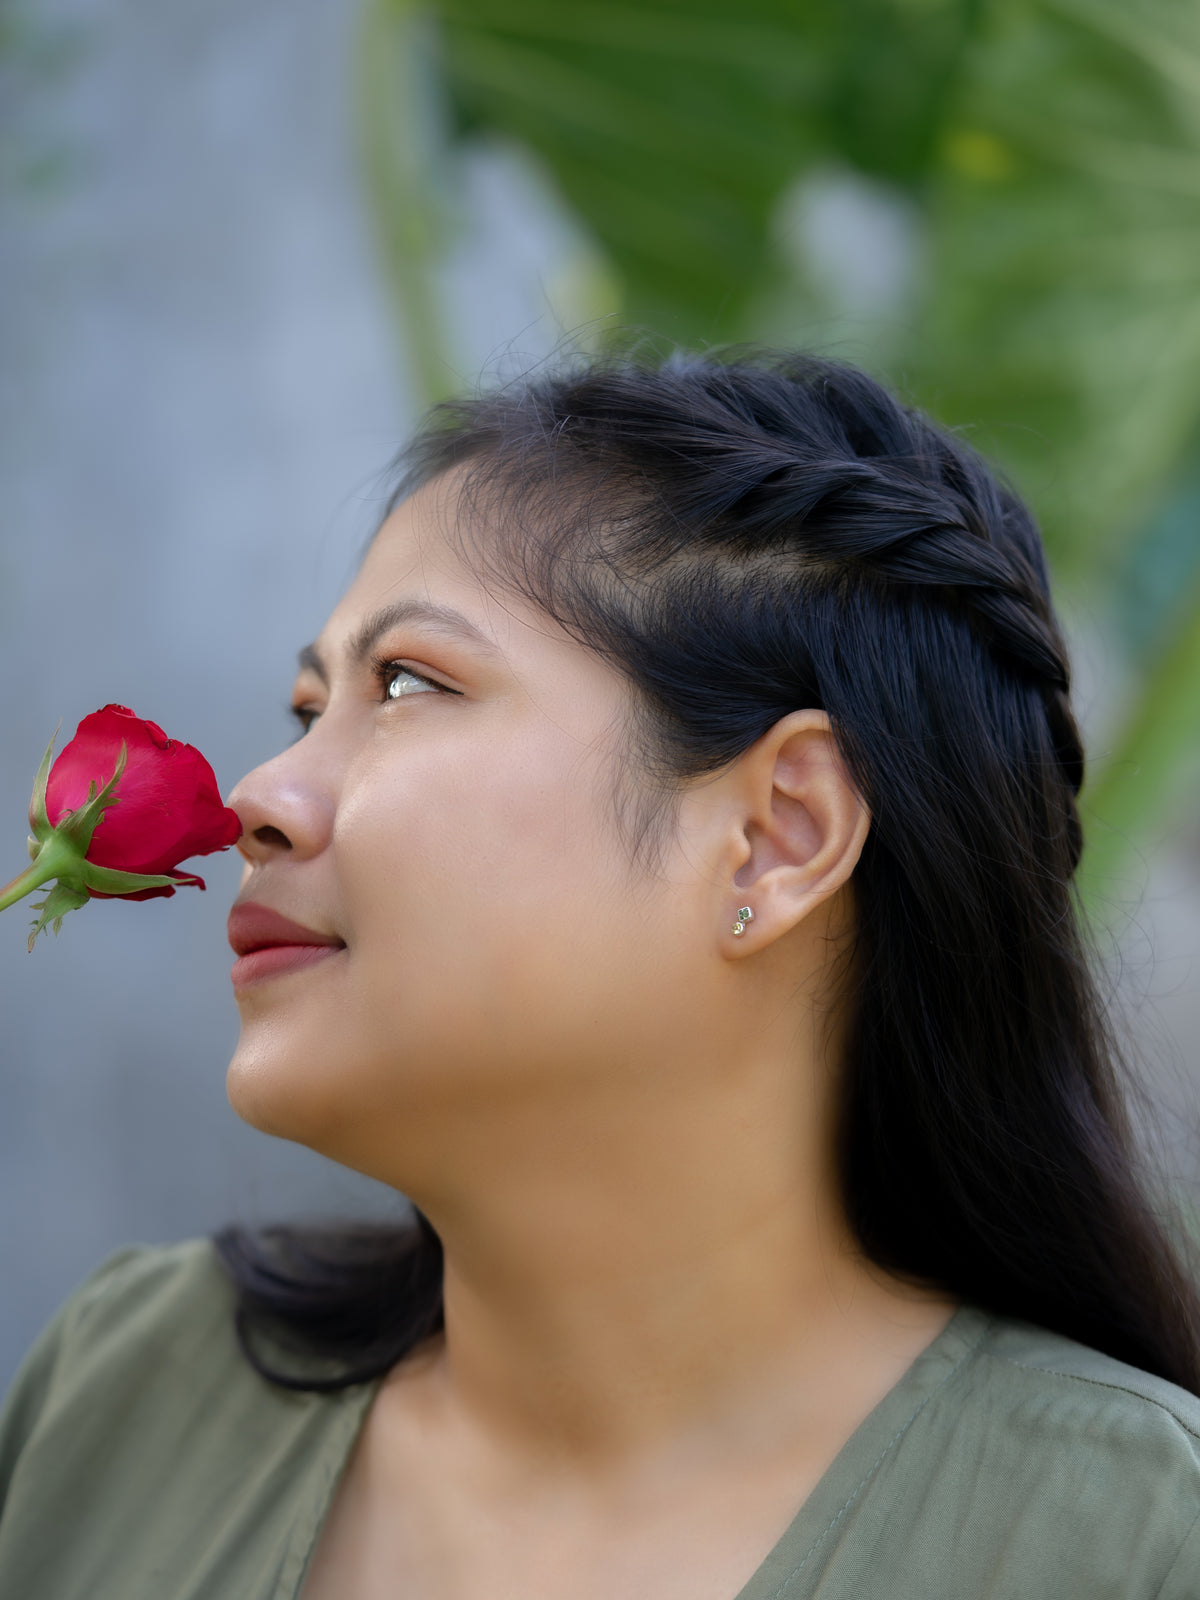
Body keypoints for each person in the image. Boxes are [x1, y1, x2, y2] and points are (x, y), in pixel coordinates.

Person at [1, 350, 1199, 1599]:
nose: (261, 796)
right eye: (311, 709)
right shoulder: (130, 1386)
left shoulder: (1122, 1539)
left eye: (408, 682)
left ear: (778, 833)